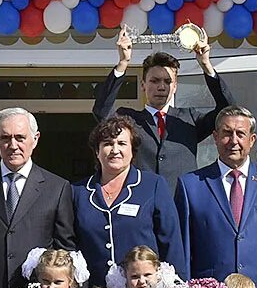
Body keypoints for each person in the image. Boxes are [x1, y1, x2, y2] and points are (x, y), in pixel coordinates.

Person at [176, 106, 257, 288]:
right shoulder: (191, 185)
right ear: (215, 137)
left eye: (240, 134)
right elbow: (183, 250)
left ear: (252, 140)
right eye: (226, 133)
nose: (233, 141)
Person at [0, 107, 79, 288]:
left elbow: (64, 247)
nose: (13, 145)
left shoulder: (57, 188)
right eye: (5, 138)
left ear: (35, 139)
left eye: (20, 137)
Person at [93, 29, 231, 182]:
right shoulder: (129, 120)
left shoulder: (190, 119)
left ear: (175, 86)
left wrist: (206, 64)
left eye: (167, 81)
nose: (161, 87)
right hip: (142, 200)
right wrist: (123, 62)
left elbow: (227, 111)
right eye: (154, 81)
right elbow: (102, 110)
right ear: (143, 85)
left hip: (180, 202)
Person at [74, 115, 186, 288]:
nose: (114, 149)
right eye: (107, 144)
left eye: (122, 143)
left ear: (133, 150)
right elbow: (72, 247)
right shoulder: (78, 191)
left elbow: (171, 243)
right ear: (97, 151)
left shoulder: (153, 185)